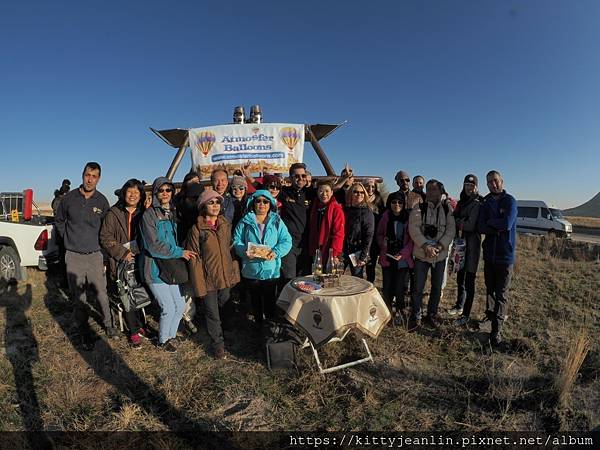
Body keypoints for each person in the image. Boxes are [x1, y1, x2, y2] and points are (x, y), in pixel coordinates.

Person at [54, 162, 114, 350]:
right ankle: (84, 332)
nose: (90, 179)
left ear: (99, 179)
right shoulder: (68, 199)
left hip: (95, 255)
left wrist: (104, 255)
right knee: (79, 297)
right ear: (82, 175)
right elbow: (59, 220)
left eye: (94, 176)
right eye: (87, 175)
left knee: (102, 294)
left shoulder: (102, 201)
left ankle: (109, 325)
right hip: (73, 256)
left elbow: (106, 229)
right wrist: (68, 239)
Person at [139, 177, 196, 353]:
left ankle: (171, 335)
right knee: (168, 307)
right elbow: (153, 245)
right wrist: (180, 252)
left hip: (171, 267)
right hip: (155, 268)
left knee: (179, 305)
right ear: (155, 193)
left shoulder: (173, 213)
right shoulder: (149, 215)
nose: (165, 193)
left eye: (168, 190)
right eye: (161, 190)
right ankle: (163, 340)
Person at [186, 190, 240, 359]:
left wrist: (234, 273)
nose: (215, 205)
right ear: (203, 206)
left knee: (225, 305)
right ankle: (218, 344)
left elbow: (230, 250)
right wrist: (199, 286)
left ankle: (227, 334)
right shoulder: (197, 229)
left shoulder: (225, 224)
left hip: (225, 276)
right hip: (208, 278)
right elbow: (194, 260)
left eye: (218, 202)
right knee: (212, 312)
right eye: (211, 202)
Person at [99, 179, 149, 348]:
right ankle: (134, 332)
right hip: (120, 260)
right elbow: (105, 237)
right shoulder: (113, 213)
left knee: (140, 292)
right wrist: (123, 253)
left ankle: (140, 323)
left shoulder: (144, 212)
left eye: (137, 192)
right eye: (129, 191)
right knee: (125, 294)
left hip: (140, 259)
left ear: (141, 195)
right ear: (123, 193)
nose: (133, 195)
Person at [233, 190, 292, 326]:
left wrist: (276, 252)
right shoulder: (245, 221)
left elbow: (286, 240)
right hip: (251, 269)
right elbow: (236, 241)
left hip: (270, 270)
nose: (261, 204)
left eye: (265, 201)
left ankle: (270, 328)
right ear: (253, 204)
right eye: (258, 201)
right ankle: (258, 326)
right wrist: (244, 251)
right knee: (255, 302)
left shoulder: (277, 221)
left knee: (270, 302)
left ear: (270, 204)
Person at [478, 170, 517, 348]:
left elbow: (507, 224)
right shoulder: (485, 202)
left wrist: (491, 223)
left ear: (501, 181)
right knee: (490, 291)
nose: (493, 184)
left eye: (495, 181)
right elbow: (480, 226)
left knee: (501, 295)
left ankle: (496, 333)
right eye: (489, 182)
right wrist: (496, 224)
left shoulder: (510, 201)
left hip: (504, 255)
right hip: (489, 256)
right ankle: (490, 320)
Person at [408, 179, 455, 329]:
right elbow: (414, 229)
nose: (431, 192)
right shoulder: (418, 208)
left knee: (436, 287)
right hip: (422, 255)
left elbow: (450, 230)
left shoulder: (448, 210)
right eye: (428, 189)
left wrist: (440, 246)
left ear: (441, 192)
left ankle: (432, 314)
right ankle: (416, 316)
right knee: (417, 288)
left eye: (434, 190)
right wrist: (426, 246)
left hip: (440, 256)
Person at [448, 175, 483, 325]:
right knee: (460, 277)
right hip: (461, 244)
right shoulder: (462, 202)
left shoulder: (477, 203)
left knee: (469, 280)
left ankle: (466, 314)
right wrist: (460, 220)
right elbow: (453, 218)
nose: (469, 187)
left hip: (472, 246)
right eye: (466, 184)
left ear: (476, 186)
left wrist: (458, 221)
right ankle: (459, 305)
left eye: (472, 185)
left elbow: (470, 225)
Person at [376, 192, 414, 325]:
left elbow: (411, 240)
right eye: (393, 202)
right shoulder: (385, 217)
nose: (396, 205)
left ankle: (400, 312)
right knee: (387, 287)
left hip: (402, 260)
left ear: (403, 204)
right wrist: (384, 243)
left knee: (399, 288)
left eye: (400, 202)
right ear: (389, 203)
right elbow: (379, 234)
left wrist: (403, 254)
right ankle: (387, 313)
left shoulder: (408, 218)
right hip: (388, 257)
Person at [308, 180, 345, 265]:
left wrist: (335, 253)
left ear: (332, 192)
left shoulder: (336, 209)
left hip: (329, 249)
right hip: (316, 249)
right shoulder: (315, 207)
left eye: (327, 191)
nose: (324, 194)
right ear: (317, 192)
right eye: (321, 191)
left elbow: (339, 233)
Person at [343, 182, 374, 278]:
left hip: (357, 251)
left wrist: (363, 256)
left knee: (357, 279)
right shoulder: (346, 210)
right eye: (355, 192)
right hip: (343, 250)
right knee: (335, 276)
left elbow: (369, 236)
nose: (359, 194)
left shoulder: (367, 212)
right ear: (350, 194)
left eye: (362, 192)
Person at [365, 178, 385, 283]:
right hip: (360, 237)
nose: (370, 188)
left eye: (373, 186)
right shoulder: (359, 197)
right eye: (368, 186)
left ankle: (370, 286)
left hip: (373, 237)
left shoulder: (378, 199)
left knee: (370, 266)